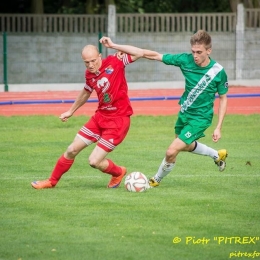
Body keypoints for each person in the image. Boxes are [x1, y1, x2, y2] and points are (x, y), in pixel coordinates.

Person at [100, 30, 228, 187]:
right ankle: (217, 155)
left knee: (171, 151)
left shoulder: (218, 72)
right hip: (185, 113)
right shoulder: (185, 60)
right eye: (193, 51)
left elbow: (223, 98)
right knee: (186, 145)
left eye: (199, 52)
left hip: (201, 118)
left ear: (209, 51)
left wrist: (218, 127)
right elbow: (151, 55)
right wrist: (114, 45)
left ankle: (155, 180)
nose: (195, 55)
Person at [31, 45, 142, 189]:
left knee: (94, 161)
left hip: (118, 121)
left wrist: (115, 46)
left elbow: (140, 53)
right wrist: (71, 111)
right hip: (100, 117)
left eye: (93, 61)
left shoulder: (115, 61)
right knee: (71, 150)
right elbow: (86, 92)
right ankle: (51, 182)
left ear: (100, 56)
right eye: (86, 62)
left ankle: (118, 172)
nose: (90, 65)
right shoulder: (89, 74)